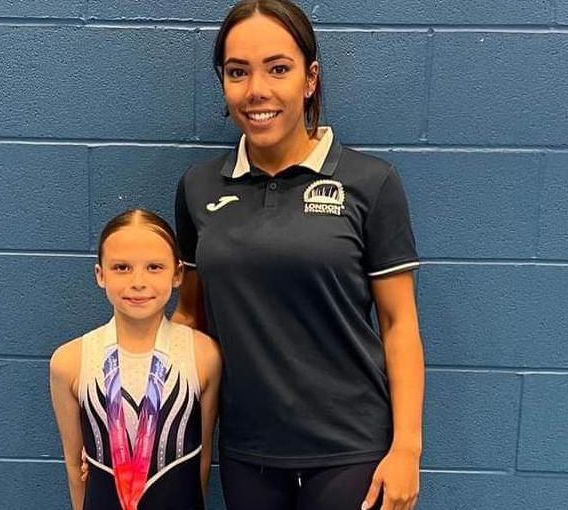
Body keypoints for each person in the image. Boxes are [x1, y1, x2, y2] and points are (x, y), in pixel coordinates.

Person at [172, 1, 424, 509]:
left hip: (352, 450)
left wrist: (407, 450)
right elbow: (190, 322)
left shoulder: (370, 183)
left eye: (278, 68)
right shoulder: (198, 188)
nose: (257, 90)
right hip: (248, 451)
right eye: (237, 72)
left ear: (310, 80)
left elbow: (399, 325)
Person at [50, 209, 222, 510]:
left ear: (178, 273)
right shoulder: (69, 361)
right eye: (121, 268)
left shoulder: (204, 355)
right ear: (100, 275)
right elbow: (73, 464)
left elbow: (203, 459)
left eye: (154, 267)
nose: (138, 282)